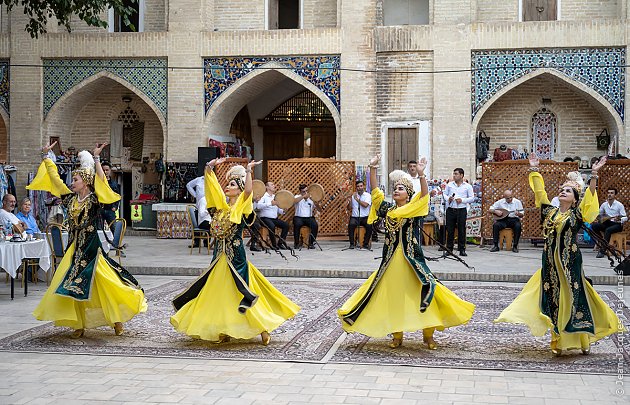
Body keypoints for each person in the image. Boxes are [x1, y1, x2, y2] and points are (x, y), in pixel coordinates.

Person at [338, 154, 475, 350]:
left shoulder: (414, 209)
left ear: (408, 194)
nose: (396, 190)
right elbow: (376, 193)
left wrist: (421, 175)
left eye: (400, 188)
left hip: (412, 260)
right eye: (395, 188)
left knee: (423, 293)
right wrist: (372, 168)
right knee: (394, 298)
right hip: (392, 260)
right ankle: (397, 335)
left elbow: (425, 196)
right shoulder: (388, 208)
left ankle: (428, 336)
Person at [495, 153, 624, 355]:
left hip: (569, 262)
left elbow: (590, 200)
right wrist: (535, 170)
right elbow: (541, 193)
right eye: (562, 190)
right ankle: (558, 337)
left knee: (573, 298)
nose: (563, 192)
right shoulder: (550, 212)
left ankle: (582, 337)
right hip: (550, 262)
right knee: (553, 299)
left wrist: (594, 175)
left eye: (568, 191)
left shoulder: (576, 214)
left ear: (574, 199)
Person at [171, 158, 300, 345]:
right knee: (218, 295)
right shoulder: (221, 209)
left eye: (232, 184)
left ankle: (262, 327)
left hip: (235, 259)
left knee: (241, 294)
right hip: (218, 258)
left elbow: (248, 192)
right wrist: (209, 168)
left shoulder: (241, 208)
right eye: (228, 184)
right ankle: (223, 329)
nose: (227, 187)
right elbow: (212, 189)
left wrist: (248, 171)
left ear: (239, 189)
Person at [29, 142, 147, 338]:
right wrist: (47, 157)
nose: (71, 182)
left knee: (105, 286)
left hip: (93, 251)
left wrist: (96, 158)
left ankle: (116, 321)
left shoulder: (94, 200)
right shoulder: (70, 200)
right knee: (69, 284)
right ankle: (79, 324)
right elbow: (55, 180)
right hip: (74, 250)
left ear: (84, 181)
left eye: (74, 179)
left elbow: (101, 180)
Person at [444, 168, 474, 256]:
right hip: (451, 209)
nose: (454, 176)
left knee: (461, 229)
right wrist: (448, 198)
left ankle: (462, 249)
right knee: (450, 230)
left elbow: (472, 198)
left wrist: (463, 200)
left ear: (461, 175)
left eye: (456, 174)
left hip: (461, 210)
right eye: (454, 174)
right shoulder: (449, 185)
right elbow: (444, 194)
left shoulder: (467, 186)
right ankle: (449, 249)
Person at [592, 187, 627, 258]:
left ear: (615, 195)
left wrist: (619, 218)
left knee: (608, 230)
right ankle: (602, 240)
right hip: (607, 223)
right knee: (594, 226)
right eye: (608, 193)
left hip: (617, 224)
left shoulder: (619, 205)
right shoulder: (604, 204)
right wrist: (599, 218)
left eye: (612, 193)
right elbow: (599, 214)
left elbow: (625, 217)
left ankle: (602, 250)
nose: (609, 195)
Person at [256, 181, 289, 250]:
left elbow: (279, 210)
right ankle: (274, 245)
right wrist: (270, 203)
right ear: (267, 187)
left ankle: (280, 243)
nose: (274, 185)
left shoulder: (275, 197)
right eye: (272, 184)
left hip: (274, 219)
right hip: (264, 218)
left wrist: (284, 210)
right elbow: (258, 206)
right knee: (272, 226)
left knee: (286, 225)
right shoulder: (263, 196)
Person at [186, 175, 211, 248]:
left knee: (209, 221)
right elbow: (188, 185)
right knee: (197, 223)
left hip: (208, 204)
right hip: (199, 205)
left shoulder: (212, 181)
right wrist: (195, 195)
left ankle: (207, 242)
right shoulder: (199, 180)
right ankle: (196, 242)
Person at [292, 184, 319, 249]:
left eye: (307, 191)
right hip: (299, 217)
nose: (306, 193)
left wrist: (316, 202)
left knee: (315, 225)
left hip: (309, 217)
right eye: (303, 191)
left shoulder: (311, 198)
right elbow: (294, 201)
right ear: (300, 192)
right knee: (297, 224)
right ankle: (296, 243)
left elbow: (319, 209)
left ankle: (311, 243)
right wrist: (303, 196)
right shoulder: (297, 196)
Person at [347, 180, 372, 249]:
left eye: (361, 186)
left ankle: (365, 244)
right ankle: (352, 244)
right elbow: (349, 208)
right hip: (355, 217)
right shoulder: (353, 196)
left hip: (364, 217)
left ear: (363, 186)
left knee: (369, 226)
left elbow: (365, 205)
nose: (359, 188)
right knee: (351, 225)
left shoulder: (368, 195)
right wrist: (349, 201)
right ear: (356, 188)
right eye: (358, 186)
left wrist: (357, 200)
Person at [99, 161, 120, 226]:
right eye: (103, 170)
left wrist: (115, 206)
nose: (105, 172)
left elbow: (118, 196)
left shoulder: (114, 184)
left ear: (110, 170)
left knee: (114, 228)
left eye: (107, 170)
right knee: (99, 230)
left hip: (110, 209)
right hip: (100, 209)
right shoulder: (98, 183)